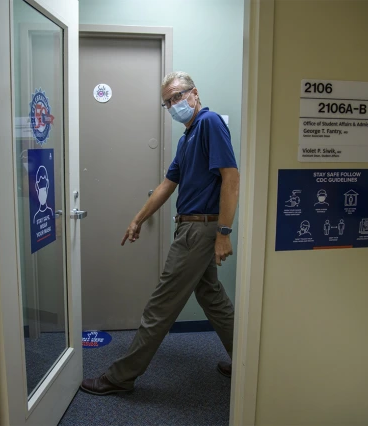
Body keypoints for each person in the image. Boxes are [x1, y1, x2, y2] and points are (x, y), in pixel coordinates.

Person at [80, 71, 239, 396]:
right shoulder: (187, 137)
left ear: (194, 93)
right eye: (167, 102)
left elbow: (231, 177)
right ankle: (247, 362)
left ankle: (120, 377)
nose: (173, 105)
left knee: (160, 305)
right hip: (191, 226)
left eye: (177, 97)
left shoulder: (209, 123)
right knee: (211, 296)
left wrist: (224, 231)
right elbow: (168, 184)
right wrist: (138, 218)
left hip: (201, 229)